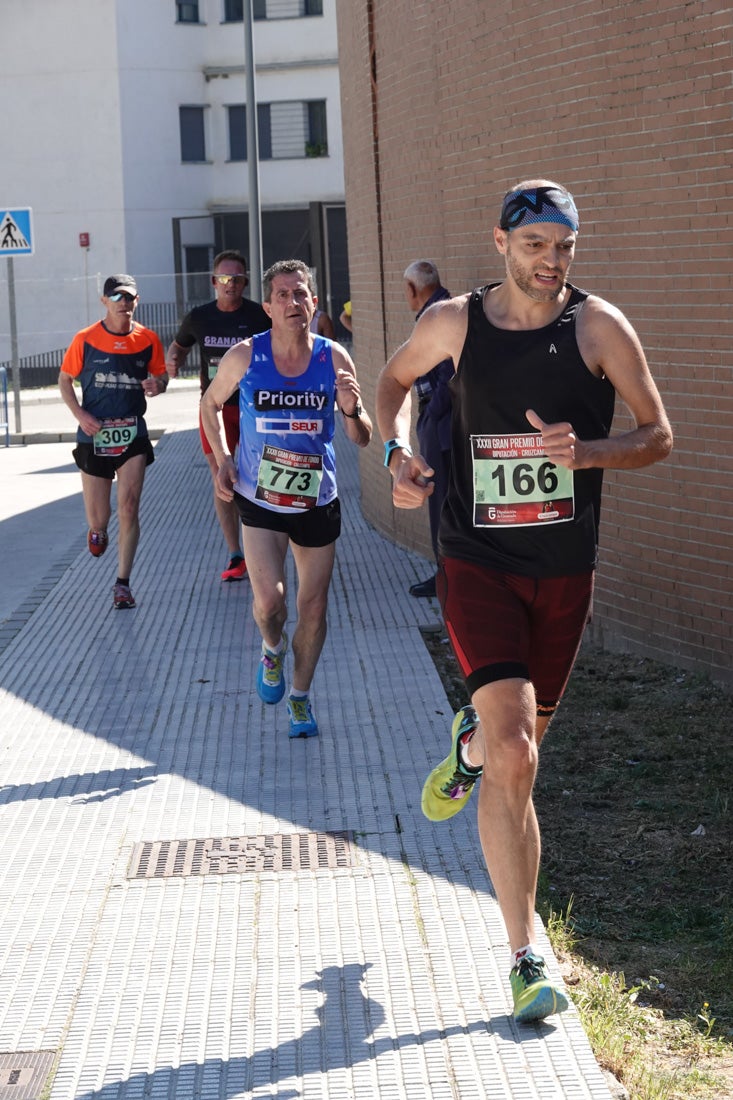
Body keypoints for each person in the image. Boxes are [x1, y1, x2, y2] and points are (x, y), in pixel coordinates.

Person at [376, 180, 672, 1024]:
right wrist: (397, 459)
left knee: (515, 747)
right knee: (519, 758)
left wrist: (589, 452)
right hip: (475, 557)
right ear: (500, 243)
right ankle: (523, 954)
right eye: (535, 244)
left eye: (563, 246)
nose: (550, 261)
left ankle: (469, 745)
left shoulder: (599, 328)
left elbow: (658, 435)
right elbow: (393, 386)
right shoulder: (454, 322)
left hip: (563, 569)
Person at [201, 259, 372, 738]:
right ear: (267, 307)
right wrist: (224, 457)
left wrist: (352, 409)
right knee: (271, 603)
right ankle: (271, 649)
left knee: (314, 608)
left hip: (318, 501)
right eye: (283, 295)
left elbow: (361, 437)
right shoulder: (244, 356)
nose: (293, 303)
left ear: (314, 303)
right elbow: (210, 403)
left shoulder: (335, 359)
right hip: (261, 498)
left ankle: (300, 697)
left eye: (301, 294)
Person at [59, 274, 169, 610]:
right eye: (117, 297)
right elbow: (64, 380)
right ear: (105, 301)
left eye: (129, 297)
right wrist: (80, 415)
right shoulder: (86, 339)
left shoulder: (148, 339)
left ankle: (122, 583)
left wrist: (158, 385)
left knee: (130, 507)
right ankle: (98, 530)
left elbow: (161, 375)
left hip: (133, 431)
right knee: (100, 518)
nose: (124, 303)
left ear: (137, 301)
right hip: (94, 435)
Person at [166, 250, 271, 582]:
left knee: (257, 475)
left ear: (244, 282)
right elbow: (179, 345)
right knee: (222, 477)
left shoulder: (259, 316)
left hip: (254, 407)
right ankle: (235, 554)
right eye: (225, 279)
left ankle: (264, 544)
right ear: (214, 282)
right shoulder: (199, 318)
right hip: (214, 408)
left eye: (237, 279)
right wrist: (173, 360)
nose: (231, 284)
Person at [402, 260, 453, 598]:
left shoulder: (440, 316)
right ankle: (447, 574)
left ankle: (446, 577)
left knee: (441, 502)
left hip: (444, 424)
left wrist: (430, 417)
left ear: (411, 290)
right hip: (442, 421)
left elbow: (451, 376)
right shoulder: (443, 308)